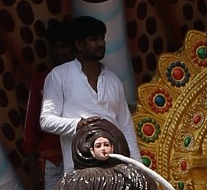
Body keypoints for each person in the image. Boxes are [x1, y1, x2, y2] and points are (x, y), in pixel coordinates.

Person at [38, 19, 137, 176]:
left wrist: (135, 167)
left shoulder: (113, 80)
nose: (100, 44)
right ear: (79, 45)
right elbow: (46, 120)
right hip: (78, 173)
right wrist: (77, 125)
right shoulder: (59, 75)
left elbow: (125, 126)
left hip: (114, 170)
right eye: (93, 40)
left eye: (101, 38)